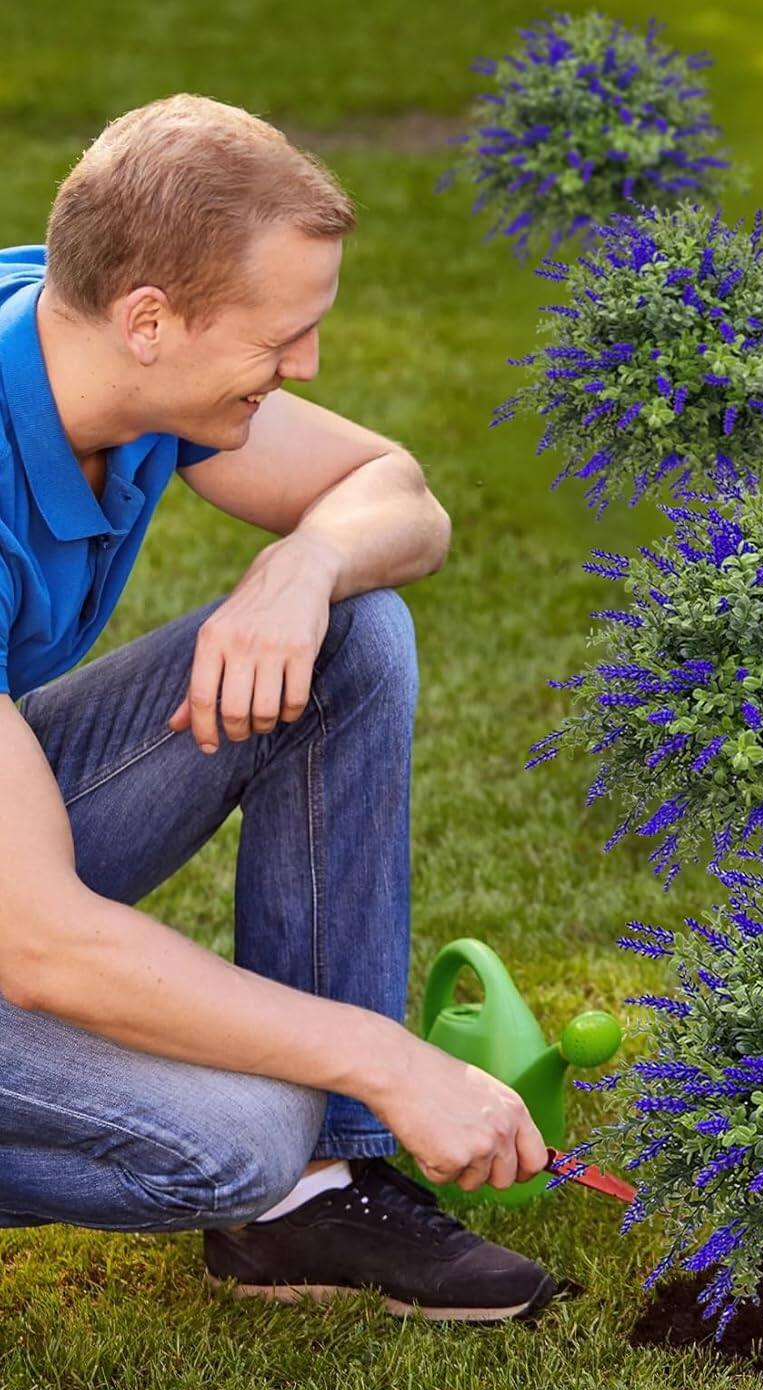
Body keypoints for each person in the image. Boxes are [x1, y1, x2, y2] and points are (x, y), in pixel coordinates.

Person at [0, 94, 559, 1321]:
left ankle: (325, 1189)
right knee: (243, 1132)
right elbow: (37, 947)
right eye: (280, 338)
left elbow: (394, 493)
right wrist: (388, 1052)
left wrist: (297, 569)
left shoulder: (79, 341)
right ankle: (289, 1163)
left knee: (349, 630)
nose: (304, 366)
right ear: (150, 320)